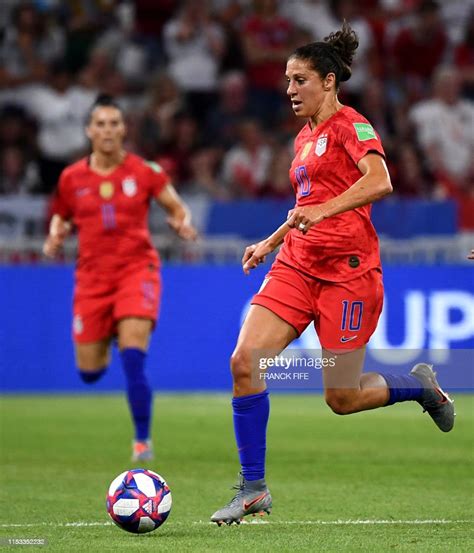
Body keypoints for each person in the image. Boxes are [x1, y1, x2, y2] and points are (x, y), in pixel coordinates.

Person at [211, 22, 455, 526]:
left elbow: (380, 181)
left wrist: (324, 213)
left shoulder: (353, 126)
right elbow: (306, 205)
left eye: (299, 79)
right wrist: (270, 241)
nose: (290, 90)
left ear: (328, 81)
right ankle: (253, 488)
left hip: (349, 275)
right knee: (245, 362)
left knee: (340, 398)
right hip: (297, 265)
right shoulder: (303, 141)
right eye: (286, 80)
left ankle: (421, 387)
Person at [43, 94, 197, 462]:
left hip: (136, 271)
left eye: (114, 123)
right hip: (92, 279)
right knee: (90, 373)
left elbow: (175, 206)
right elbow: (61, 215)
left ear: (124, 129)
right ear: (89, 130)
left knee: (132, 358)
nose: (108, 130)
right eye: (101, 124)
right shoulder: (71, 178)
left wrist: (182, 222)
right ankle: (111, 330)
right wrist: (55, 234)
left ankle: (142, 441)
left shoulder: (145, 171)